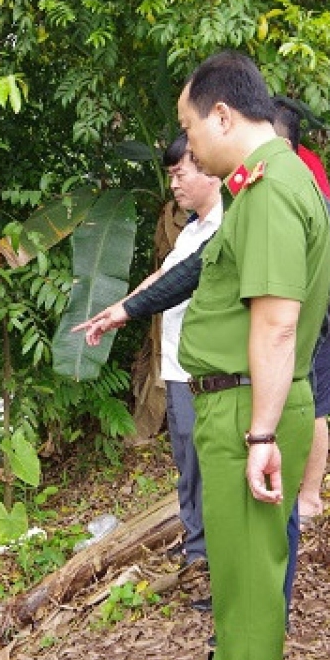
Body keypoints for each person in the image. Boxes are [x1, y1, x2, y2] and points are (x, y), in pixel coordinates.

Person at [80, 51, 330, 660]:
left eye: (191, 129)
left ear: (224, 115)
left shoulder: (278, 189)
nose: (187, 146)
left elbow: (278, 324)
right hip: (228, 402)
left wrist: (261, 433)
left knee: (253, 579)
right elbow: (206, 269)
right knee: (231, 565)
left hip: (251, 409)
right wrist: (128, 308)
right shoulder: (255, 187)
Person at [128, 134, 223, 565]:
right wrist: (119, 309)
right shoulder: (190, 230)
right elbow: (164, 278)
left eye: (180, 174)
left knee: (207, 467)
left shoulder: (226, 227)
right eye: (170, 177)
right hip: (176, 365)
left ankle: (211, 552)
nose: (175, 186)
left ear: (207, 168)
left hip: (205, 369)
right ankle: (198, 550)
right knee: (187, 464)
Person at [271, 99, 330, 523]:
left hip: (313, 305)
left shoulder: (306, 168)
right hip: (277, 307)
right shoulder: (252, 175)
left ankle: (310, 496)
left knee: (316, 401)